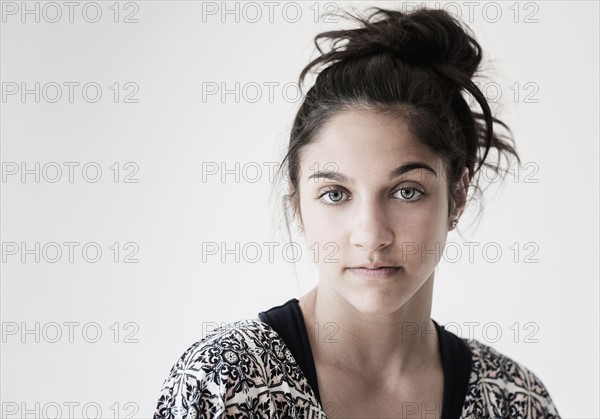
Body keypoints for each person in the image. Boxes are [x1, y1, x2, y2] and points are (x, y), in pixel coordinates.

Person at [153, 6, 560, 418]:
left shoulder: (516, 400)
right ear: (296, 206)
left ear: (457, 197)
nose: (370, 234)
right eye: (335, 194)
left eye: (406, 191)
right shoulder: (224, 383)